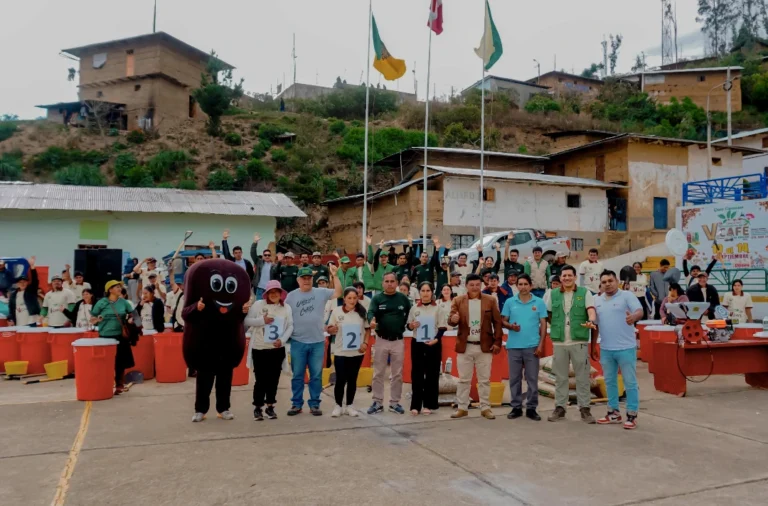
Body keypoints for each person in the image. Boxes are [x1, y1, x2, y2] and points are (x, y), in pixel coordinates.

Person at [182, 259, 252, 422]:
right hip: (205, 344)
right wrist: (196, 308)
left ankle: (223, 408)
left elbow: (238, 320)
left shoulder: (235, 303)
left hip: (227, 343)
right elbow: (185, 314)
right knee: (204, 380)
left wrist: (243, 312)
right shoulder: (198, 300)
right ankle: (200, 410)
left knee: (225, 379)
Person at [285, 265, 343, 416]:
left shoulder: (321, 292)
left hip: (317, 342)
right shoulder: (291, 296)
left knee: (316, 376)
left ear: (312, 279)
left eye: (309, 278)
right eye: (303, 278)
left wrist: (335, 275)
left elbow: (339, 292)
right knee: (297, 375)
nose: (306, 280)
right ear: (298, 280)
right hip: (298, 342)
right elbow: (283, 315)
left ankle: (315, 404)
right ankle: (296, 404)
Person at [546, 265, 597, 424]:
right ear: (560, 278)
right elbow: (548, 314)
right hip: (560, 341)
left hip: (579, 340)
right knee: (560, 377)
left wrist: (591, 320)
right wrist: (555, 326)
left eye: (569, 275)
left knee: (582, 376)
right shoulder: (552, 294)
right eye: (564, 276)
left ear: (575, 277)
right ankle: (560, 408)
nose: (566, 278)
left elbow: (591, 309)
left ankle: (585, 409)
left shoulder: (584, 292)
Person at [449, 273, 503, 420]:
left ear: (481, 285)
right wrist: (453, 319)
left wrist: (497, 342)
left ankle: (485, 408)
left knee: (485, 379)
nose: (474, 287)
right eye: (471, 285)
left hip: (484, 346)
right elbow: (451, 320)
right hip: (464, 346)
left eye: (477, 285)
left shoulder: (490, 300)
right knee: (463, 379)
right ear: (466, 285)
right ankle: (462, 407)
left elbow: (497, 323)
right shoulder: (458, 300)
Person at [594, 270, 644, 430]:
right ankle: (613, 412)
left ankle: (632, 414)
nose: (607, 284)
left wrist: (634, 317)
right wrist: (593, 344)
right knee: (609, 382)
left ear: (617, 281)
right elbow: (594, 325)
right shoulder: (596, 300)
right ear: (600, 285)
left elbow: (639, 311)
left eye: (610, 280)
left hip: (626, 348)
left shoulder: (627, 296)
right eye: (604, 282)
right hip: (606, 348)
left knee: (630, 382)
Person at [501, 274, 547, 421]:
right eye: (520, 284)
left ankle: (532, 408)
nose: (523, 287)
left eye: (525, 284)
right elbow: (503, 321)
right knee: (514, 378)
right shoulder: (510, 302)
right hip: (514, 346)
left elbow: (544, 324)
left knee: (532, 378)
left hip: (532, 346)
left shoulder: (539, 302)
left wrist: (541, 345)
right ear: (517, 286)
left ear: (531, 286)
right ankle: (516, 407)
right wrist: (511, 326)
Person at [245, 280, 292, 421]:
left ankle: (270, 406)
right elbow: (247, 321)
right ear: (266, 294)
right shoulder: (259, 305)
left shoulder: (286, 308)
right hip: (259, 347)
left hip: (276, 349)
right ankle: (258, 407)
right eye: (271, 292)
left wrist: (282, 340)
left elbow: (290, 326)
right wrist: (262, 321)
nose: (274, 295)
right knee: (260, 379)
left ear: (280, 294)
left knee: (274, 379)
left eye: (276, 292)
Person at [367, 271, 412, 414]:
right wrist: (372, 321)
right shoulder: (377, 299)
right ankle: (377, 402)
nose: (389, 284)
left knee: (397, 374)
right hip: (381, 340)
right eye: (386, 281)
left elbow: (410, 316)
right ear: (382, 283)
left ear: (397, 283)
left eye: (392, 281)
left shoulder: (403, 299)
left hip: (398, 341)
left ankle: (394, 403)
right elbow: (370, 313)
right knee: (378, 373)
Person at [326, 287, 370, 417]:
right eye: (349, 298)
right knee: (340, 379)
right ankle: (338, 405)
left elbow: (367, 330)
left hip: (356, 353)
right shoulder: (336, 311)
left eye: (354, 298)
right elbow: (329, 329)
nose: (352, 300)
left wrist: (365, 343)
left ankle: (349, 405)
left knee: (352, 379)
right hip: (340, 351)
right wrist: (332, 329)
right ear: (344, 298)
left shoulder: (361, 313)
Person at [407, 282, 447, 416]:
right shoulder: (414, 308)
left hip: (433, 343)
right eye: (423, 290)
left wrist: (436, 339)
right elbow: (409, 326)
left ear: (432, 292)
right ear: (419, 292)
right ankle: (415, 405)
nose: (425, 293)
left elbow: (442, 328)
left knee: (432, 374)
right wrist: (412, 325)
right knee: (417, 373)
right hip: (417, 343)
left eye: (428, 290)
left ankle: (429, 404)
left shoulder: (438, 308)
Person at [90, 280, 135, 395]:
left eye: (120, 287)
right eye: (116, 287)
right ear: (110, 290)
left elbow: (135, 315)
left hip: (120, 336)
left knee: (120, 362)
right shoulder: (101, 303)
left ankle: (119, 385)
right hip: (105, 337)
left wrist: (131, 320)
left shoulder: (124, 303)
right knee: (106, 363)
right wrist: (97, 321)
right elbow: (92, 319)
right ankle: (105, 384)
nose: (119, 289)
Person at [8, 257, 40, 326]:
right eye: (20, 282)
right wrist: (10, 319)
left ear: (27, 283)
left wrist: (32, 267)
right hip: (19, 322)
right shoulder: (13, 295)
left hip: (31, 322)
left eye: (24, 282)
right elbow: (11, 308)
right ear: (17, 284)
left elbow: (35, 280)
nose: (22, 284)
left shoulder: (31, 291)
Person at [250, 234, 274, 299]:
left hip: (270, 289)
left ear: (270, 256)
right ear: (263, 256)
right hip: (260, 289)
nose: (267, 256)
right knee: (259, 307)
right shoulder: (259, 262)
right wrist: (255, 242)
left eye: (269, 255)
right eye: (265, 255)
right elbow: (253, 253)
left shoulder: (274, 266)